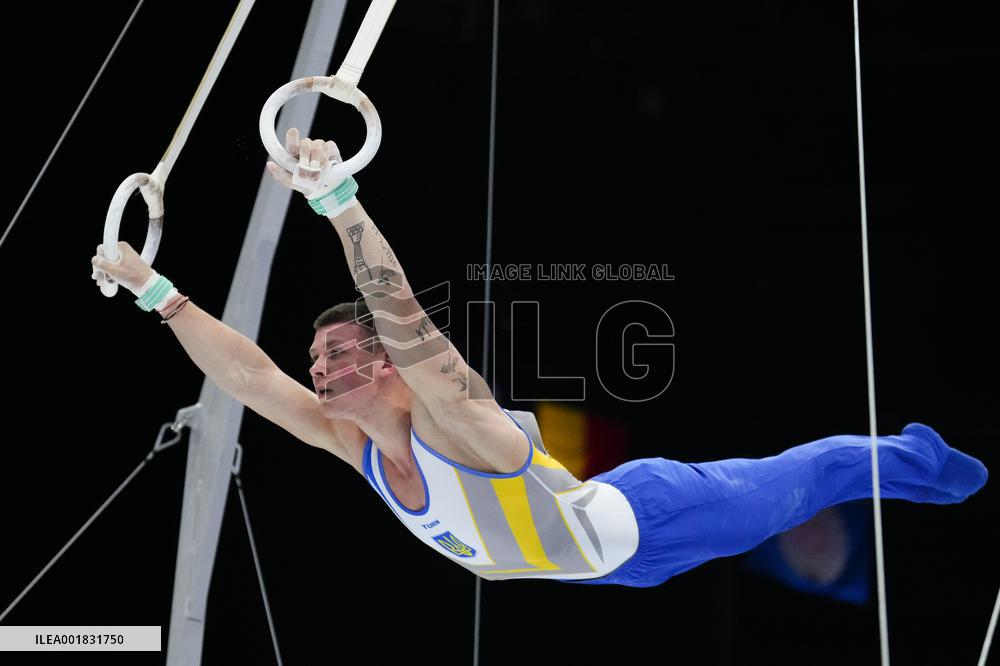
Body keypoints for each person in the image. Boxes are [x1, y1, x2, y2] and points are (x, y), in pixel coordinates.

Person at [91, 130, 989, 589]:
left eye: (338, 358)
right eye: (318, 363)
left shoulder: (452, 419)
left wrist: (339, 201)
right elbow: (249, 378)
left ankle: (927, 463)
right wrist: (154, 292)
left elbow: (403, 319)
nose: (319, 375)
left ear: (392, 372)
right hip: (601, 563)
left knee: (807, 478)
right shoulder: (349, 443)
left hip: (650, 520)